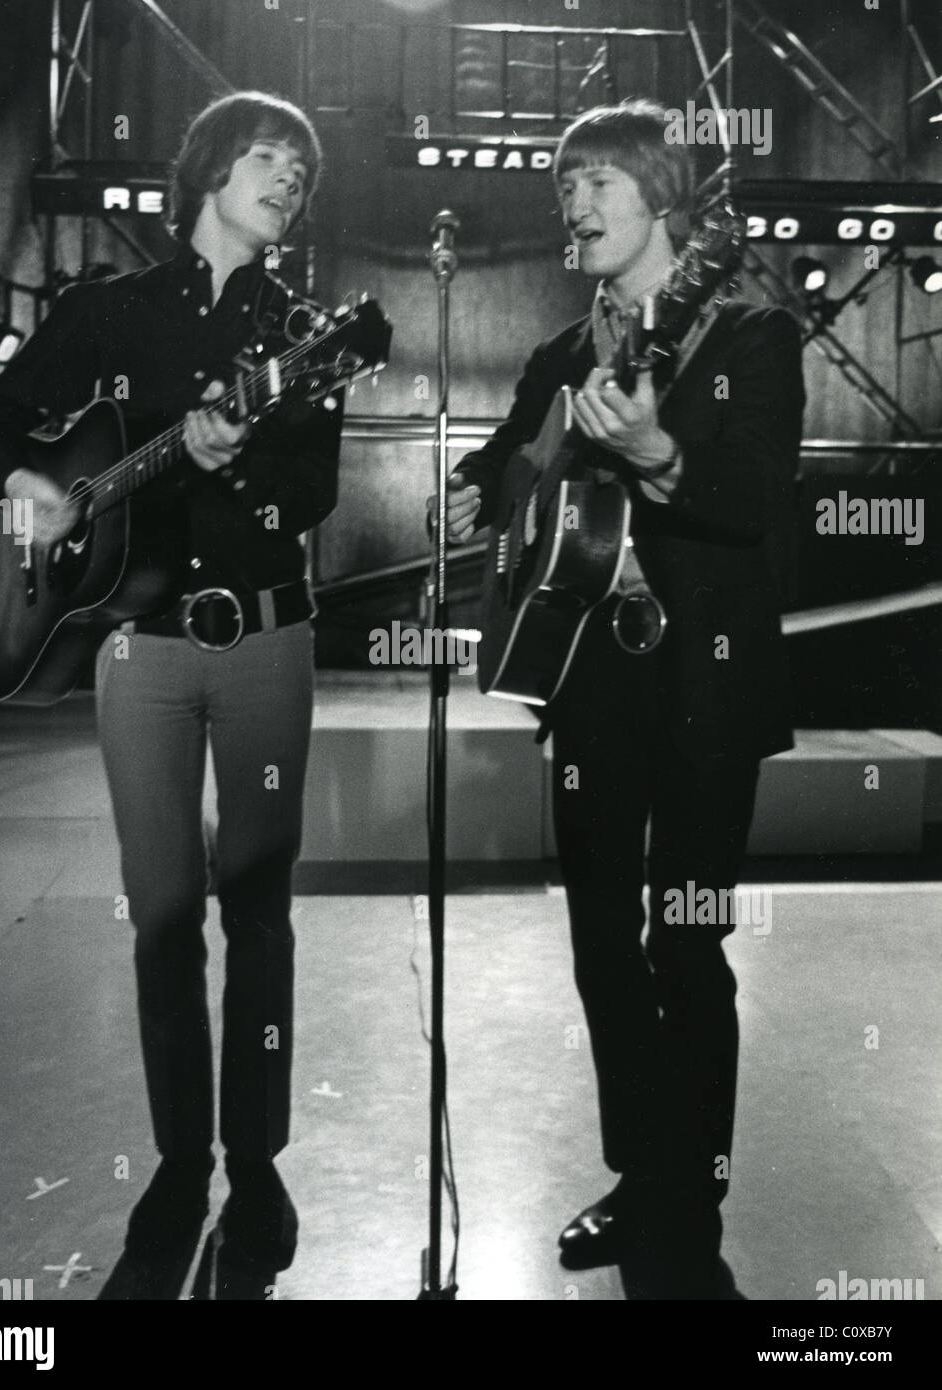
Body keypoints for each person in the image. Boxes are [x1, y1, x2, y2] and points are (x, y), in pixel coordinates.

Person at [0, 92, 345, 1299]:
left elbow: (317, 494)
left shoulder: (305, 333)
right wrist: (34, 480)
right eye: (268, 155)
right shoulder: (104, 312)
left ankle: (259, 1162)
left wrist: (243, 467)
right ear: (208, 167)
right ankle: (181, 1161)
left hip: (270, 642)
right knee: (165, 918)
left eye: (303, 167)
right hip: (139, 651)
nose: (288, 175)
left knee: (262, 913)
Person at [437, 100, 804, 1298]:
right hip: (589, 685)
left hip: (704, 684)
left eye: (597, 180)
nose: (573, 204)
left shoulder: (748, 335)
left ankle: (689, 1190)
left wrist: (656, 456)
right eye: (564, 186)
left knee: (683, 942)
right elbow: (508, 463)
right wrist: (476, 492)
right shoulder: (560, 354)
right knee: (601, 943)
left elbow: (750, 498)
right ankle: (640, 1169)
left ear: (662, 198)